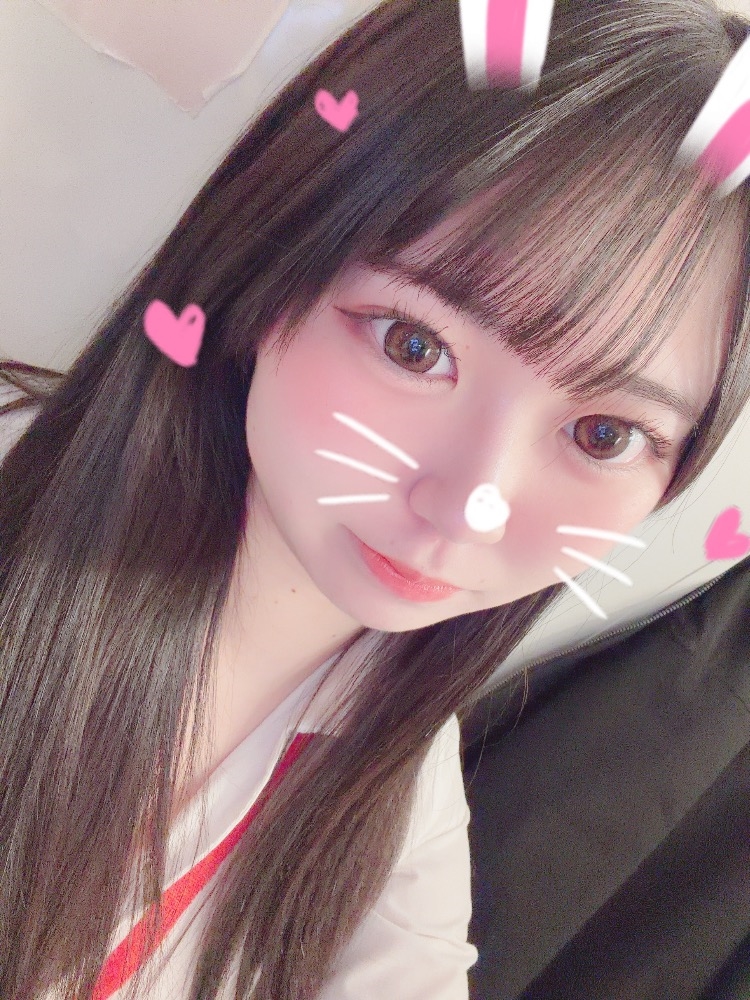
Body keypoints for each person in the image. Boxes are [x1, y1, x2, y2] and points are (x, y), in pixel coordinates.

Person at [0, 0, 748, 998]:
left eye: (602, 435)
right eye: (413, 344)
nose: (469, 503)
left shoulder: (394, 781)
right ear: (269, 269)